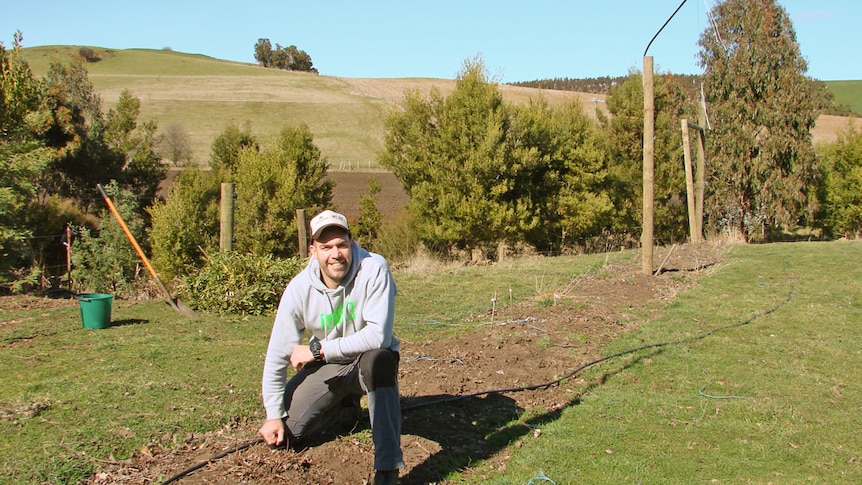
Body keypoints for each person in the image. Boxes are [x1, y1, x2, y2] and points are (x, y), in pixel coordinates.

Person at [259, 209, 403, 485]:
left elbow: (378, 337)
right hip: (329, 368)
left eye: (341, 245)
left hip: (366, 362)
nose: (335, 254)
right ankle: (346, 408)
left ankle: (387, 467)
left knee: (380, 361)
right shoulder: (299, 289)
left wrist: (317, 350)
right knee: (290, 433)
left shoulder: (374, 268)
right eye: (326, 247)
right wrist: (273, 415)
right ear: (313, 250)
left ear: (351, 243)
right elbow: (278, 354)